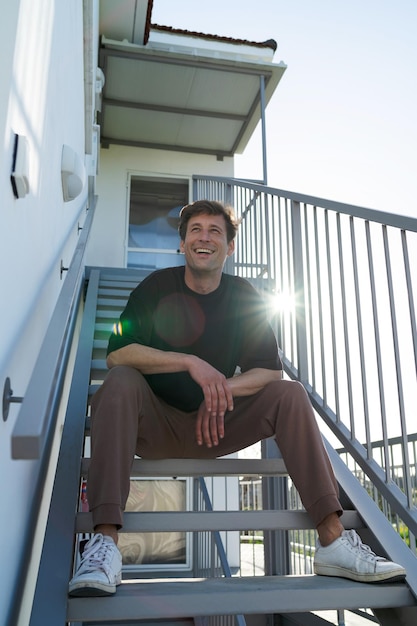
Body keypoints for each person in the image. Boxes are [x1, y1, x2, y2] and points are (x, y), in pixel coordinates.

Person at [69, 200, 406, 596]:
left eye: (215, 231)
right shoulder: (156, 287)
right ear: (182, 245)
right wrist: (191, 363)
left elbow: (270, 370)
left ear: (229, 248)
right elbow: (116, 354)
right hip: (155, 424)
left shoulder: (243, 296)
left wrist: (221, 388)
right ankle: (105, 543)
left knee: (290, 393)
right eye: (195, 230)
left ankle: (332, 541)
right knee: (121, 381)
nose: (204, 237)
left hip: (216, 425)